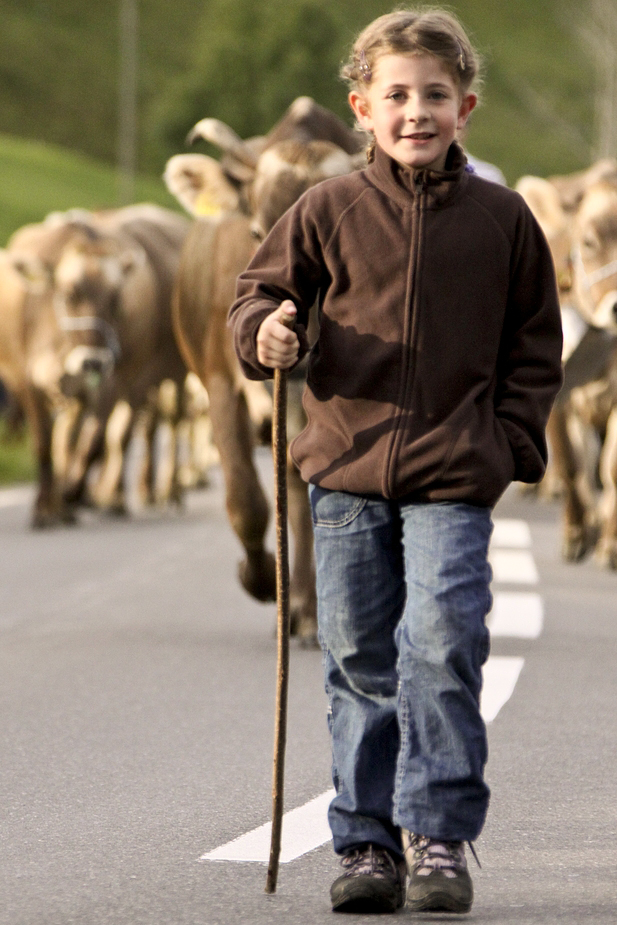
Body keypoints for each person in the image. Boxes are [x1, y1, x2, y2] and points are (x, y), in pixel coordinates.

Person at [229, 7, 562, 915]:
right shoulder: (324, 209)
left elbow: (535, 344)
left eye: (435, 96)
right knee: (361, 661)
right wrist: (266, 330)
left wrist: (510, 445)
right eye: (397, 96)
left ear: (467, 107)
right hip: (342, 470)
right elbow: (258, 293)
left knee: (443, 645)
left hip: (456, 473)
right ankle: (367, 842)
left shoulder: (504, 220)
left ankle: (439, 838)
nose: (415, 111)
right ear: (361, 109)